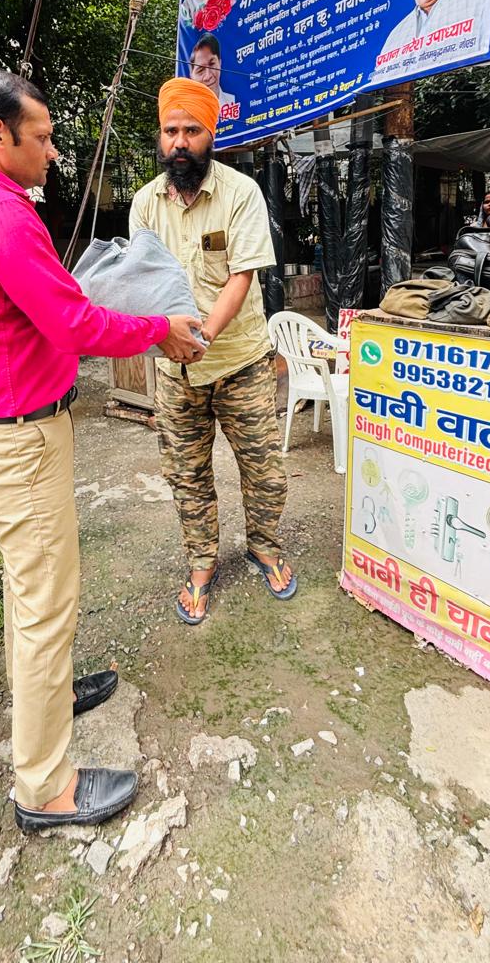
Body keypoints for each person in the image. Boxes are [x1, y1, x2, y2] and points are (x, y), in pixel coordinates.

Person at [0, 69, 205, 834]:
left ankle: (44, 693)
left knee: (30, 590)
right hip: (21, 438)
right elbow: (74, 323)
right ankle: (44, 789)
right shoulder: (2, 218)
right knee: (47, 603)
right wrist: (158, 331)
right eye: (41, 137)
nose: (52, 151)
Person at [130, 79, 296, 624]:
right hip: (174, 370)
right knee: (187, 472)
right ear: (161, 135)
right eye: (171, 130)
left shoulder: (241, 192)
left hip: (241, 360)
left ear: (212, 133)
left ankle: (265, 546)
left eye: (192, 131)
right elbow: (141, 285)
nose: (180, 142)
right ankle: (201, 563)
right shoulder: (144, 204)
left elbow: (242, 277)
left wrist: (199, 338)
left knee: (264, 467)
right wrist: (167, 338)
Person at [189, 33, 235, 107]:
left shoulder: (234, 102)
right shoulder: (187, 113)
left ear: (219, 63)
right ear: (191, 76)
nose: (208, 76)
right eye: (200, 70)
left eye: (212, 64)